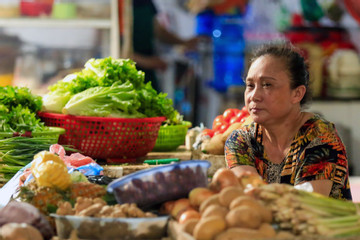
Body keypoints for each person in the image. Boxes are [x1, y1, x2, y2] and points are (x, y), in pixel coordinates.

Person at [224, 43, 352, 200]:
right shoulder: (241, 140)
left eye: (267, 85)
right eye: (250, 85)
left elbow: (303, 205)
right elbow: (250, 193)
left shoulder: (320, 138)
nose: (254, 96)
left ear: (297, 93)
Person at [129, 0, 200, 93]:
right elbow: (118, 48)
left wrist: (184, 42)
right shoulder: (121, 5)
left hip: (148, 69)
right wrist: (148, 62)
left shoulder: (147, 3)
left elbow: (158, 31)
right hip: (130, 70)